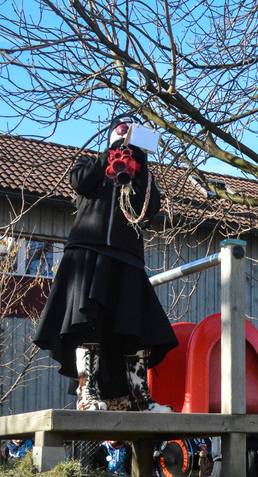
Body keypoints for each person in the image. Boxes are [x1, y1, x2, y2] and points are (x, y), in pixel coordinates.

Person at [33, 114, 176, 412]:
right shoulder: (90, 163)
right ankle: (87, 391)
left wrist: (139, 167)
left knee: (135, 327)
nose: (125, 136)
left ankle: (139, 396)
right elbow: (79, 182)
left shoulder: (143, 175)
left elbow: (149, 210)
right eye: (121, 130)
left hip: (127, 257)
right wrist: (109, 157)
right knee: (89, 322)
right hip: (90, 254)